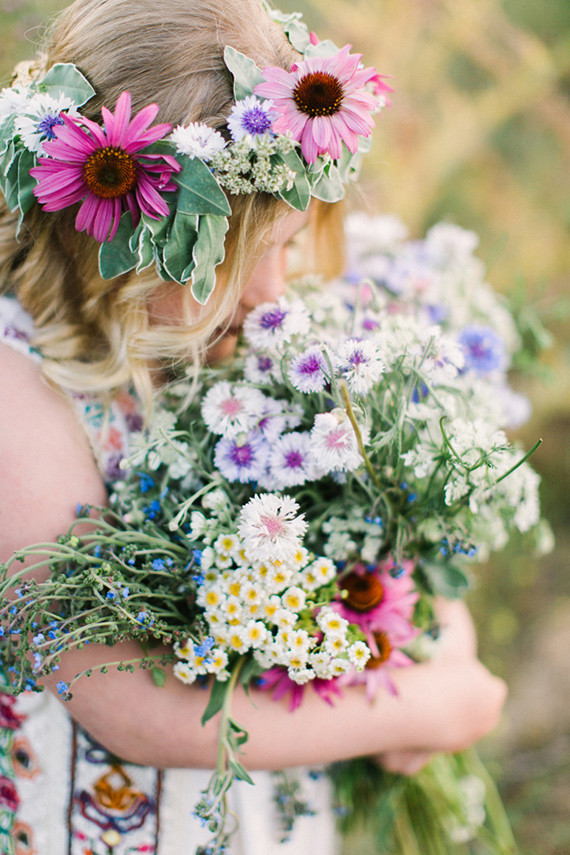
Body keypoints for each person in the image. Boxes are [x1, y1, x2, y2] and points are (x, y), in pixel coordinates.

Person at [0, 0, 507, 852]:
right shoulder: (20, 397)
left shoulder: (238, 338)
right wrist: (418, 706)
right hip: (85, 822)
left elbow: (377, 542)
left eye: (288, 244)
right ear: (124, 239)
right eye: (236, 260)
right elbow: (130, 704)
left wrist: (439, 642)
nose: (277, 290)